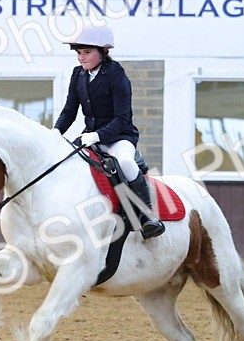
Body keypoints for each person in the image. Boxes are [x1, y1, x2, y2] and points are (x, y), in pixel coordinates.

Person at [54, 25, 164, 239]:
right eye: (79, 53)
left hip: (119, 137)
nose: (81, 58)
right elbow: (69, 110)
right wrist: (55, 132)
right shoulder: (78, 74)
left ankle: (148, 217)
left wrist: (97, 136)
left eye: (87, 53)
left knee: (124, 162)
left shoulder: (116, 75)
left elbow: (122, 119)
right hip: (90, 136)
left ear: (103, 52)